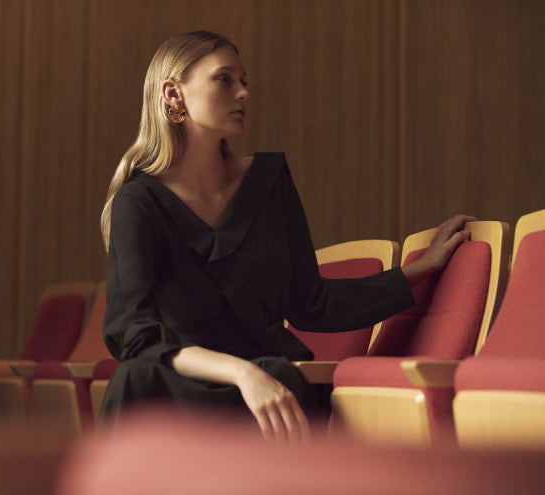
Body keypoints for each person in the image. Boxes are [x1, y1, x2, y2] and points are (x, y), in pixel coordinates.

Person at [98, 31, 474, 444]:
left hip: (274, 375)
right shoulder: (137, 201)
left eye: (244, 81)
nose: (243, 92)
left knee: (278, 379)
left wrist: (419, 270)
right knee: (133, 378)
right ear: (173, 94)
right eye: (224, 79)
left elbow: (312, 304)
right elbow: (134, 333)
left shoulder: (268, 181)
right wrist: (243, 373)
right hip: (189, 380)